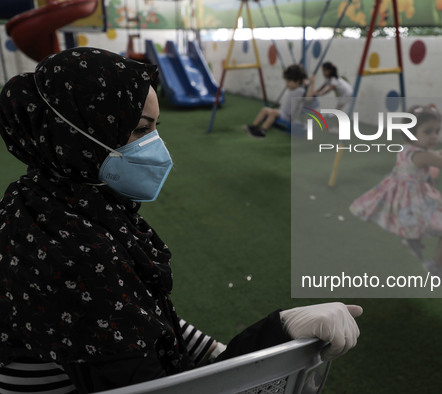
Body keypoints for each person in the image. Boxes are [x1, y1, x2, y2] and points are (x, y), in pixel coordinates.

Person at [0, 47, 361, 393]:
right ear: (78, 131)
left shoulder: (43, 197)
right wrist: (277, 332)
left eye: (156, 127)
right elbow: (152, 386)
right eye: (141, 129)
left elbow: (139, 319)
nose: (157, 146)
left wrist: (217, 353)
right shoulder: (71, 250)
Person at [349, 104, 442, 275]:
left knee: (418, 223)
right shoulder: (422, 155)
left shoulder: (407, 149)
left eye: (437, 131)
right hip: (417, 200)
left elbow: (438, 155)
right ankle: (435, 266)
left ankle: (411, 239)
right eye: (428, 132)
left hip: (406, 201)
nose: (434, 136)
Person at [244, 64, 308, 138]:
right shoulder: (292, 89)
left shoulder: (300, 91)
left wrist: (307, 83)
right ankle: (254, 127)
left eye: (289, 81)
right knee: (265, 109)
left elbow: (306, 93)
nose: (286, 84)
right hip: (282, 113)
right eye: (286, 81)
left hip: (288, 117)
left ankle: (262, 131)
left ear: (298, 81)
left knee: (273, 113)